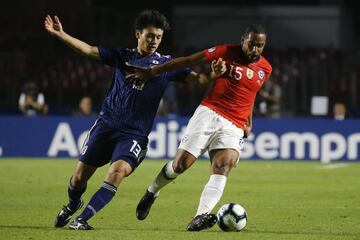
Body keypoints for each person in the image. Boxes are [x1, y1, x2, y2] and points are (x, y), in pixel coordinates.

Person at [44, 9, 226, 230]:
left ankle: (82, 220)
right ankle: (73, 204)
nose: (154, 41)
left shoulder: (166, 65)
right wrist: (62, 35)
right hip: (105, 127)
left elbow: (198, 80)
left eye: (158, 37)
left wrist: (214, 75)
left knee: (117, 172)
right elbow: (90, 51)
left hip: (134, 135)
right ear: (138, 34)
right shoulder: (123, 57)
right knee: (78, 179)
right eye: (150, 35)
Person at [131, 24, 272, 231]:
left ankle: (199, 216)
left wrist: (249, 120)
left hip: (234, 124)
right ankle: (152, 191)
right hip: (210, 113)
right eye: (251, 44)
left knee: (224, 166)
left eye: (260, 46)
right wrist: (153, 71)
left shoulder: (265, 68)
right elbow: (189, 61)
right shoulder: (225, 51)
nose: (255, 50)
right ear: (243, 40)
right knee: (180, 165)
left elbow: (250, 94)